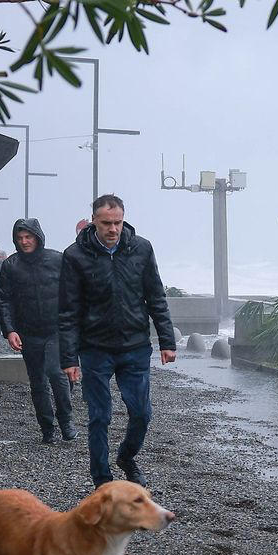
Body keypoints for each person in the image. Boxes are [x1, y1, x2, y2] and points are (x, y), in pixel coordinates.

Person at [60, 195, 176, 488]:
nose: (113, 229)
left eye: (118, 222)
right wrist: (69, 358)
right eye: (106, 223)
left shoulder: (141, 248)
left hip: (135, 346)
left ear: (124, 220)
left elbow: (156, 297)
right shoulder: (75, 256)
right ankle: (102, 481)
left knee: (141, 412)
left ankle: (127, 457)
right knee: (99, 417)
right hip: (95, 348)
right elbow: (68, 311)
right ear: (94, 222)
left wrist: (167, 340)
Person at [0, 218, 76, 444]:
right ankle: (47, 428)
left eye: (28, 237)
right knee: (37, 382)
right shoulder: (10, 265)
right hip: (28, 332)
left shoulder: (57, 259)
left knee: (56, 373)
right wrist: (9, 330)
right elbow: (3, 300)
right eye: (20, 238)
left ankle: (66, 419)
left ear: (37, 237)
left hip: (56, 329)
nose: (24, 242)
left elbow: (73, 291)